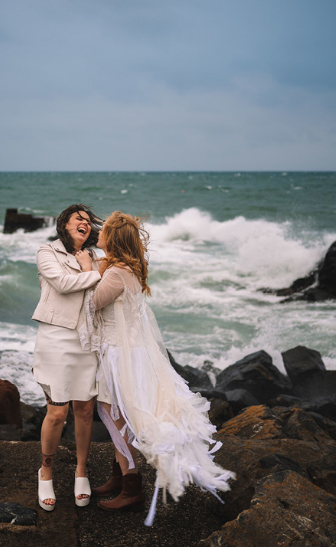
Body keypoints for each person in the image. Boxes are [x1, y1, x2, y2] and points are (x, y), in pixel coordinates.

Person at [79, 212, 234, 524]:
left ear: (113, 239)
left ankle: (132, 485)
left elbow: (90, 304)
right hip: (131, 351)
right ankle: (120, 478)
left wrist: (86, 270)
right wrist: (100, 266)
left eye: (104, 230)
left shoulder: (114, 274)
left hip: (118, 354)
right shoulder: (127, 269)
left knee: (114, 414)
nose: (98, 233)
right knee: (119, 413)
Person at [31, 204, 103, 511]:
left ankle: (81, 470)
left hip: (89, 339)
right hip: (56, 339)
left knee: (85, 411)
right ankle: (45, 471)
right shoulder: (47, 252)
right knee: (57, 413)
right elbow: (62, 284)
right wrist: (91, 272)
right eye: (79, 219)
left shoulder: (98, 255)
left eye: (88, 221)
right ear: (64, 223)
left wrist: (94, 266)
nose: (85, 224)